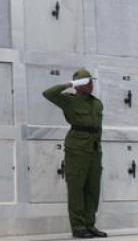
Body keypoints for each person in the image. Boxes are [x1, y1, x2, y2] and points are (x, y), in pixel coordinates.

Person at [42, 69, 108, 239]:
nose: (91, 85)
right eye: (86, 82)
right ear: (79, 85)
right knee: (76, 189)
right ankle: (78, 227)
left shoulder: (97, 103)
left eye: (91, 82)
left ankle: (90, 224)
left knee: (93, 189)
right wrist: (70, 84)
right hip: (77, 149)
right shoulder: (69, 101)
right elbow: (48, 93)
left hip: (94, 149)